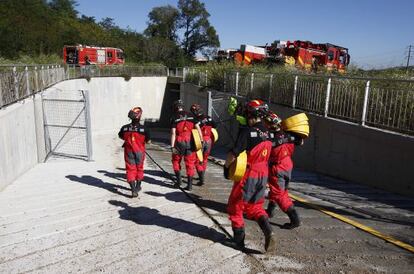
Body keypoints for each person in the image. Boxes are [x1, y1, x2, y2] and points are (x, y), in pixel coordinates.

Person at [223, 99, 276, 252]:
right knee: (256, 206)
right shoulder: (268, 133)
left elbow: (233, 153)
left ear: (250, 114)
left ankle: (239, 242)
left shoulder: (247, 132)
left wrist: (227, 168)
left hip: (249, 174)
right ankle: (268, 231)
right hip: (263, 174)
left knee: (235, 206)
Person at [264, 111, 303, 229]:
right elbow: (301, 142)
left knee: (278, 193)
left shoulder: (269, 138)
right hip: (288, 165)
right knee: (282, 190)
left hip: (277, 167)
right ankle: (270, 211)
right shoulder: (289, 135)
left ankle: (294, 219)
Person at [118, 107, 151, 198]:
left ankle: (133, 190)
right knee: (139, 168)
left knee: (130, 169)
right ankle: (138, 186)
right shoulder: (144, 129)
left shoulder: (124, 128)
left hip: (128, 151)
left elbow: (121, 136)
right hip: (140, 151)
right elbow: (148, 141)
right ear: (139, 116)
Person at [171, 100, 203, 190]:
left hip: (179, 141)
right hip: (190, 141)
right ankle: (189, 185)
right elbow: (198, 128)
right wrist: (201, 139)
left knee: (176, 161)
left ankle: (178, 181)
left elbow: (173, 133)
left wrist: (172, 146)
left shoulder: (174, 117)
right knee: (190, 163)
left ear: (175, 108)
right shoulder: (191, 115)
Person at [190, 103, 217, 186]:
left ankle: (201, 178)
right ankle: (202, 175)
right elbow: (215, 126)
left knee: (197, 160)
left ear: (195, 112)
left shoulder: (195, 120)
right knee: (205, 159)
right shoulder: (209, 118)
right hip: (209, 140)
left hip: (200, 141)